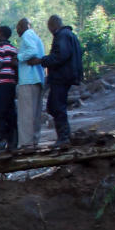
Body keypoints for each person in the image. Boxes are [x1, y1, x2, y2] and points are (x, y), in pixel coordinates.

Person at [28, 15, 82, 146]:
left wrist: (42, 60)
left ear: (53, 25)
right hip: (66, 76)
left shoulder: (62, 36)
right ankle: (65, 135)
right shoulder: (70, 35)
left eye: (49, 27)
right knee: (54, 106)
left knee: (56, 106)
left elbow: (60, 56)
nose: (49, 30)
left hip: (61, 77)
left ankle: (64, 137)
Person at [15, 18, 46, 148]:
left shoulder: (27, 35)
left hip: (27, 79)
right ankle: (34, 140)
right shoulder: (36, 37)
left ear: (23, 26)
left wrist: (18, 57)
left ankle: (26, 143)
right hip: (38, 78)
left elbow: (31, 51)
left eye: (18, 27)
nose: (17, 30)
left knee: (25, 114)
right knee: (35, 113)